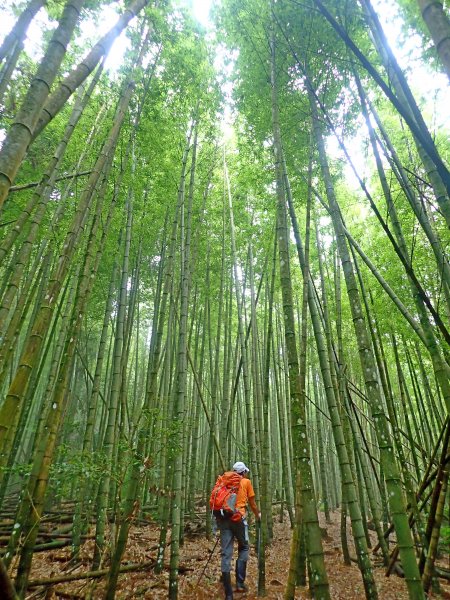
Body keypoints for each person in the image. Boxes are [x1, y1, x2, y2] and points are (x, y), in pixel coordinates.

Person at [215, 461, 261, 599]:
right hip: (238, 519)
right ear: (243, 472)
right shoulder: (246, 482)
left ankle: (228, 594)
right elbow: (252, 503)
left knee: (226, 554)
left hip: (224, 519)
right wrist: (257, 514)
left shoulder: (224, 482)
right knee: (244, 547)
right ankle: (240, 583)